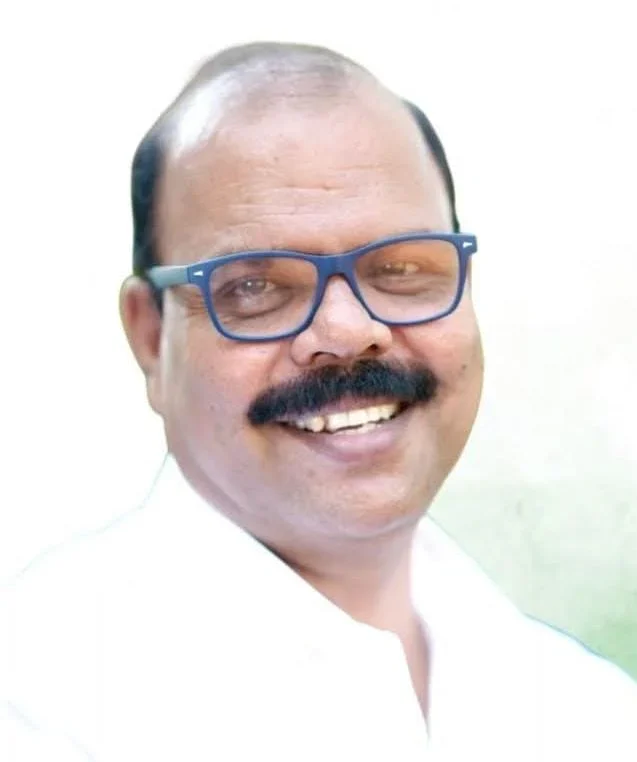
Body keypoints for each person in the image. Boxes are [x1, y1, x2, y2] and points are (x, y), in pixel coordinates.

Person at [2, 41, 636, 761]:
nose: (348, 332)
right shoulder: (36, 703)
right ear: (151, 338)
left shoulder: (589, 714)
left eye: (402, 267)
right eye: (254, 287)